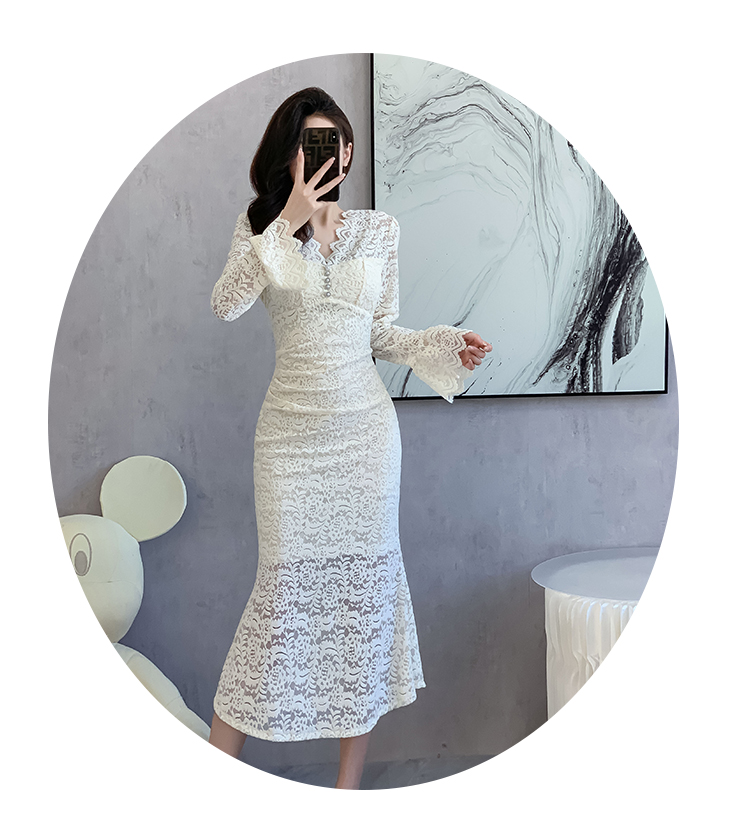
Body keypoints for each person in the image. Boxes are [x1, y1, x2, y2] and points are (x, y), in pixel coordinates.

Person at [208, 87, 492, 790]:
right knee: (280, 598)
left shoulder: (379, 230)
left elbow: (380, 334)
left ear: (351, 151)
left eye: (334, 140)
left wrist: (443, 344)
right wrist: (288, 221)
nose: (324, 153)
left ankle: (346, 792)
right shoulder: (258, 228)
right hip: (290, 442)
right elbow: (225, 304)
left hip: (364, 439)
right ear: (289, 154)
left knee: (362, 605)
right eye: (310, 142)